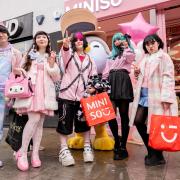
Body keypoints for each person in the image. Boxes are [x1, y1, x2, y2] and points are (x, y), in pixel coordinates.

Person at [14, 31, 60, 171]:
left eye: (44, 37)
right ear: (35, 40)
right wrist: (19, 70)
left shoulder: (51, 56)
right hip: (31, 92)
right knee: (33, 120)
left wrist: (52, 65)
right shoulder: (28, 55)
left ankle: (34, 154)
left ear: (48, 41)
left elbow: (56, 77)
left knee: (39, 124)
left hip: (45, 93)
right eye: (38, 37)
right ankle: (22, 152)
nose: (41, 39)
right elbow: (18, 71)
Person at [129, 34, 178, 166]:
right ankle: (152, 150)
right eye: (147, 44)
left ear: (158, 43)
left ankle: (157, 155)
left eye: (152, 43)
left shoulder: (164, 57)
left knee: (156, 126)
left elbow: (168, 77)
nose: (150, 46)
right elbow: (140, 77)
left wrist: (166, 97)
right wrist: (137, 72)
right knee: (138, 121)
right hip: (144, 96)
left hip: (156, 96)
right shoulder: (146, 58)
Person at [56, 32, 97, 166]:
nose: (79, 41)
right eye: (76, 40)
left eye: (81, 39)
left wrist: (92, 88)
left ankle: (87, 147)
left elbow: (94, 77)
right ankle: (63, 149)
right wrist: (66, 46)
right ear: (73, 43)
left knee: (84, 124)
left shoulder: (90, 60)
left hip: (83, 97)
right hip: (66, 95)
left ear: (84, 42)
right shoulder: (68, 56)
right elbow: (65, 53)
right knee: (64, 123)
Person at [102, 32, 135, 160]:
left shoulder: (128, 52)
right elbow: (105, 73)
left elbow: (130, 59)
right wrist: (104, 86)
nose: (117, 42)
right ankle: (116, 139)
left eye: (119, 39)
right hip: (111, 82)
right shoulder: (111, 56)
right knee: (111, 114)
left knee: (123, 114)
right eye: (115, 40)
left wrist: (126, 46)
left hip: (123, 81)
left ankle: (123, 146)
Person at [0, 22, 22, 167]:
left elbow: (20, 74)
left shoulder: (16, 52)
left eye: (2, 32)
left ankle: (20, 152)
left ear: (8, 35)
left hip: (9, 93)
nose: (0, 35)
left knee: (19, 122)